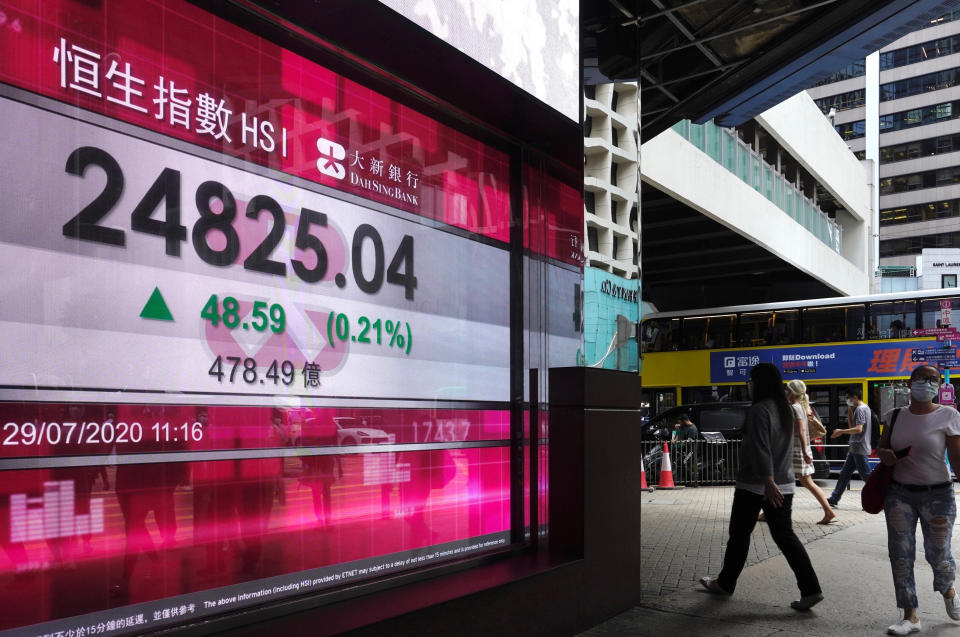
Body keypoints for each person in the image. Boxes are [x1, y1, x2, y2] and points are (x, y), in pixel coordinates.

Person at [699, 363, 823, 611]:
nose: (749, 385)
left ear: (760, 383)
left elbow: (760, 448)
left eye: (751, 380)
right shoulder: (786, 408)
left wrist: (768, 481)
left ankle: (725, 583)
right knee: (785, 536)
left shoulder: (760, 410)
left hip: (756, 484)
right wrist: (776, 481)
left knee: (739, 533)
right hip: (784, 483)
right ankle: (811, 589)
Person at [877, 364, 960, 636]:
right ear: (909, 383)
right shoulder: (894, 415)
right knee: (900, 554)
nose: (927, 383)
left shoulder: (949, 415)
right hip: (899, 494)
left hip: (938, 495)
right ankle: (910, 615)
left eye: (932, 379)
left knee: (939, 554)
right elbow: (882, 447)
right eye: (921, 378)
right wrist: (885, 454)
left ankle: (948, 589)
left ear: (939, 385)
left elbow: (957, 459)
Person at [786, 380, 835, 525]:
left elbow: (800, 430)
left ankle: (828, 511)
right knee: (804, 482)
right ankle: (828, 511)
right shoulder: (801, 407)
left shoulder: (795, 407)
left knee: (799, 482)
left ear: (792, 392)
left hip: (796, 450)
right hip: (798, 450)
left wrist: (805, 452)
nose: (785, 392)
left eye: (787, 389)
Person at [826, 386, 872, 508]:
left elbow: (858, 429)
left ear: (855, 397)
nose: (847, 400)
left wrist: (841, 431)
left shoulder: (861, 409)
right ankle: (834, 498)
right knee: (845, 474)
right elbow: (852, 425)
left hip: (859, 447)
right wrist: (850, 410)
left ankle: (880, 498)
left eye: (848, 398)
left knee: (866, 476)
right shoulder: (861, 408)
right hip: (855, 447)